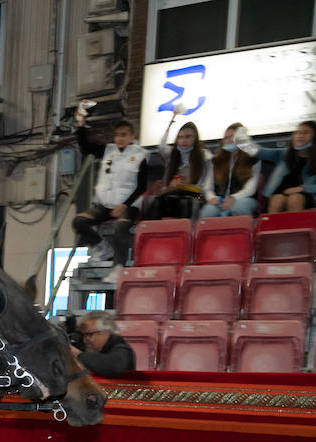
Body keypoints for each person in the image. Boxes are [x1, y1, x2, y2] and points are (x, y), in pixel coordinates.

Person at [71, 102, 148, 277]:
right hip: (104, 204)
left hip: (128, 205)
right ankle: (103, 248)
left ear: (132, 136)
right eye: (116, 135)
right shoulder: (108, 150)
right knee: (78, 222)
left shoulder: (141, 155)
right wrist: (80, 123)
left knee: (120, 228)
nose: (119, 138)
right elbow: (85, 146)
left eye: (123, 135)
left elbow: (142, 186)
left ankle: (118, 268)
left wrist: (125, 205)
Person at [244, 121, 316, 213]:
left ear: (314, 138)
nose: (300, 135)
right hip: (279, 194)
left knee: (295, 198)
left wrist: (300, 188)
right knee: (277, 200)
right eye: (298, 132)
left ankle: (295, 227)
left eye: (305, 133)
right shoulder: (283, 154)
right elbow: (260, 152)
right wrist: (242, 143)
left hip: (305, 196)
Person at [145, 121, 214, 222]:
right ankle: (152, 231)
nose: (183, 140)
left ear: (195, 139)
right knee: (154, 200)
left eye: (188, 137)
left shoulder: (205, 156)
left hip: (199, 196)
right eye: (180, 137)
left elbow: (208, 187)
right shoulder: (173, 156)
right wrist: (169, 126)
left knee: (183, 198)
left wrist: (189, 185)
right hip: (175, 194)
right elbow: (161, 147)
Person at [200, 123, 261, 219]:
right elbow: (207, 188)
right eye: (225, 138)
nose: (228, 141)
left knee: (239, 208)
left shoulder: (253, 160)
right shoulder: (215, 161)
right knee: (207, 212)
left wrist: (233, 198)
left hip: (244, 198)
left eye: (231, 137)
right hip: (219, 199)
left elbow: (250, 189)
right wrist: (211, 198)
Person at [72, 311, 135, 376]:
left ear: (106, 332)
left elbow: (113, 366)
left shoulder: (122, 350)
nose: (85, 340)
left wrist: (78, 355)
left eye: (89, 334)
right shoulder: (97, 349)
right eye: (83, 335)